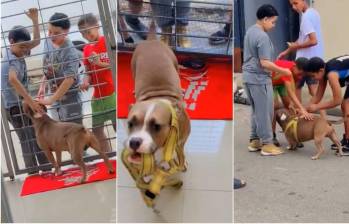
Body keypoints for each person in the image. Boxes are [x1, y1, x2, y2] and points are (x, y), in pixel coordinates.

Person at [1, 8, 48, 174]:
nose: (26, 50)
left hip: (22, 103)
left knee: (36, 136)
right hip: (14, 107)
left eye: (26, 47)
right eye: (22, 47)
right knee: (26, 140)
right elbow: (12, 79)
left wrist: (35, 20)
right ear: (11, 41)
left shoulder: (18, 51)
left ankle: (46, 167)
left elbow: (35, 42)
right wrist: (30, 102)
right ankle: (33, 172)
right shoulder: (11, 59)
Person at [243, 4, 292, 156]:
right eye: (273, 21)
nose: (274, 25)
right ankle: (267, 144)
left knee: (256, 110)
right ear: (265, 19)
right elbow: (264, 62)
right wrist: (283, 70)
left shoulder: (250, 31)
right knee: (265, 112)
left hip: (248, 77)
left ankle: (255, 139)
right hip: (259, 78)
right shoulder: (262, 37)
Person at [78, 13, 116, 153]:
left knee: (116, 124)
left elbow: (115, 64)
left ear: (97, 26)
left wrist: (99, 62)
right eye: (83, 34)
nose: (87, 36)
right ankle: (109, 155)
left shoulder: (107, 41)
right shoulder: (87, 49)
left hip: (112, 91)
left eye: (88, 31)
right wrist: (85, 81)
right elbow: (88, 70)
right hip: (98, 96)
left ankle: (118, 154)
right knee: (97, 130)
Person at [38, 13, 83, 125]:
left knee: (74, 134)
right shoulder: (48, 41)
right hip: (54, 96)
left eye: (56, 33)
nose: (51, 35)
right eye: (49, 31)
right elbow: (48, 67)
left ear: (66, 31)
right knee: (59, 133)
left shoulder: (70, 52)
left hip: (70, 98)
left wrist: (51, 99)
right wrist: (42, 85)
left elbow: (69, 79)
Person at [278, 0, 324, 103]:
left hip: (303, 62)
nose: (294, 7)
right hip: (315, 59)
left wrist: (296, 46)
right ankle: (322, 117)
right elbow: (302, 38)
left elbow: (313, 41)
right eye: (291, 5)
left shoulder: (306, 17)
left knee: (296, 89)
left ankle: (299, 115)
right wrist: (287, 51)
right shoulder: (314, 13)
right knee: (315, 93)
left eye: (296, 3)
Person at [305, 55, 349, 151]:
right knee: (345, 106)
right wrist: (303, 110)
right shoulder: (324, 71)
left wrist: (316, 107)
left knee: (346, 105)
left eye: (313, 76)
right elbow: (317, 96)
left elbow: (337, 100)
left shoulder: (331, 75)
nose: (313, 79)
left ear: (320, 71)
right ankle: (347, 139)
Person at [271, 57, 313, 146]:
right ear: (294, 66)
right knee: (274, 106)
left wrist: (293, 105)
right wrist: (303, 110)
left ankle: (293, 134)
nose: (300, 77)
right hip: (270, 83)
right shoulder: (287, 70)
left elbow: (294, 90)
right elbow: (291, 93)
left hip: (281, 83)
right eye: (300, 74)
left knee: (291, 107)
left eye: (303, 75)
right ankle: (272, 135)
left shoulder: (298, 73)